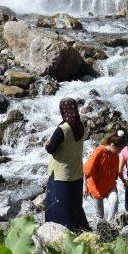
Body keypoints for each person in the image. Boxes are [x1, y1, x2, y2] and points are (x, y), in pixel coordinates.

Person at [44, 97, 90, 232]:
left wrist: (46, 144)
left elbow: (51, 149)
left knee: (58, 207)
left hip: (61, 174)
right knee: (75, 206)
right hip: (76, 172)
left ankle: (57, 234)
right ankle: (79, 230)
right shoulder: (80, 126)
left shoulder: (62, 129)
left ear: (62, 110)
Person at [83, 130, 126, 223]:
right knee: (100, 216)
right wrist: (84, 186)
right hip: (96, 187)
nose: (119, 152)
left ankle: (111, 225)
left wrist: (124, 180)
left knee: (114, 201)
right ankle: (102, 230)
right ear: (113, 145)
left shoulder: (115, 155)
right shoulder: (98, 152)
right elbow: (86, 170)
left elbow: (116, 172)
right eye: (119, 150)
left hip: (109, 185)